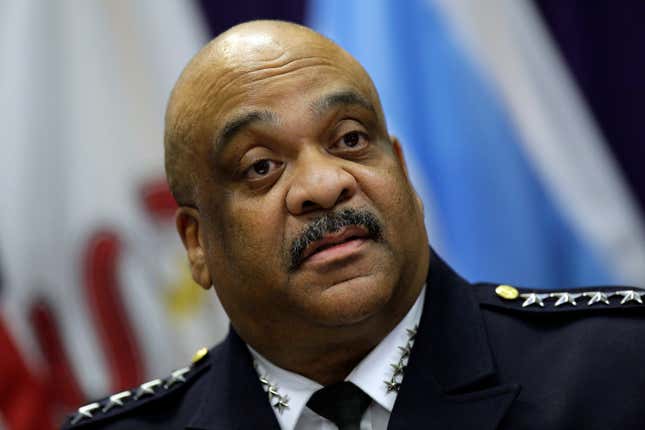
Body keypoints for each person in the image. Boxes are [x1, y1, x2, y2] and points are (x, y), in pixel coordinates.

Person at [62, 20, 645, 430]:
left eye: (349, 139)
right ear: (197, 244)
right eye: (260, 166)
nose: (325, 184)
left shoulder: (619, 369)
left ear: (403, 173)